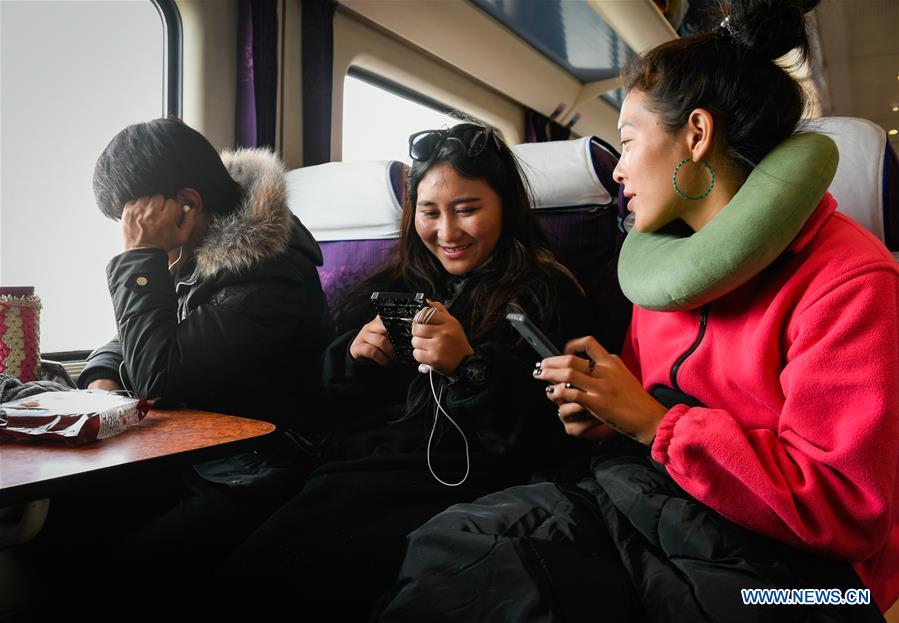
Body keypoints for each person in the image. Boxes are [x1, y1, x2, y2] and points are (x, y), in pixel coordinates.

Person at [377, 2, 899, 621]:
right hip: (655, 498)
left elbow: (847, 510)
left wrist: (655, 424)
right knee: (460, 552)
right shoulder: (666, 268)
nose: (618, 169)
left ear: (697, 136)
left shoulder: (850, 281)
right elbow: (636, 403)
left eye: (626, 142)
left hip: (805, 580)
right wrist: (603, 410)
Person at [212, 122, 596, 618]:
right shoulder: (390, 283)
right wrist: (353, 358)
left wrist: (469, 367)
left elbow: (557, 437)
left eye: (468, 210)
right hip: (354, 469)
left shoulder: (547, 293)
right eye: (430, 212)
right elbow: (318, 408)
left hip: (468, 485)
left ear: (505, 206)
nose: (447, 232)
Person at [26, 118, 332, 616]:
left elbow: (161, 377)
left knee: (120, 574)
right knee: (62, 524)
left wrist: (140, 258)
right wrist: (100, 374)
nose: (134, 238)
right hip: (191, 451)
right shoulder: (199, 249)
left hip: (258, 467)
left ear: (187, 206)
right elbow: (139, 334)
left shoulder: (271, 278)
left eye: (137, 224)